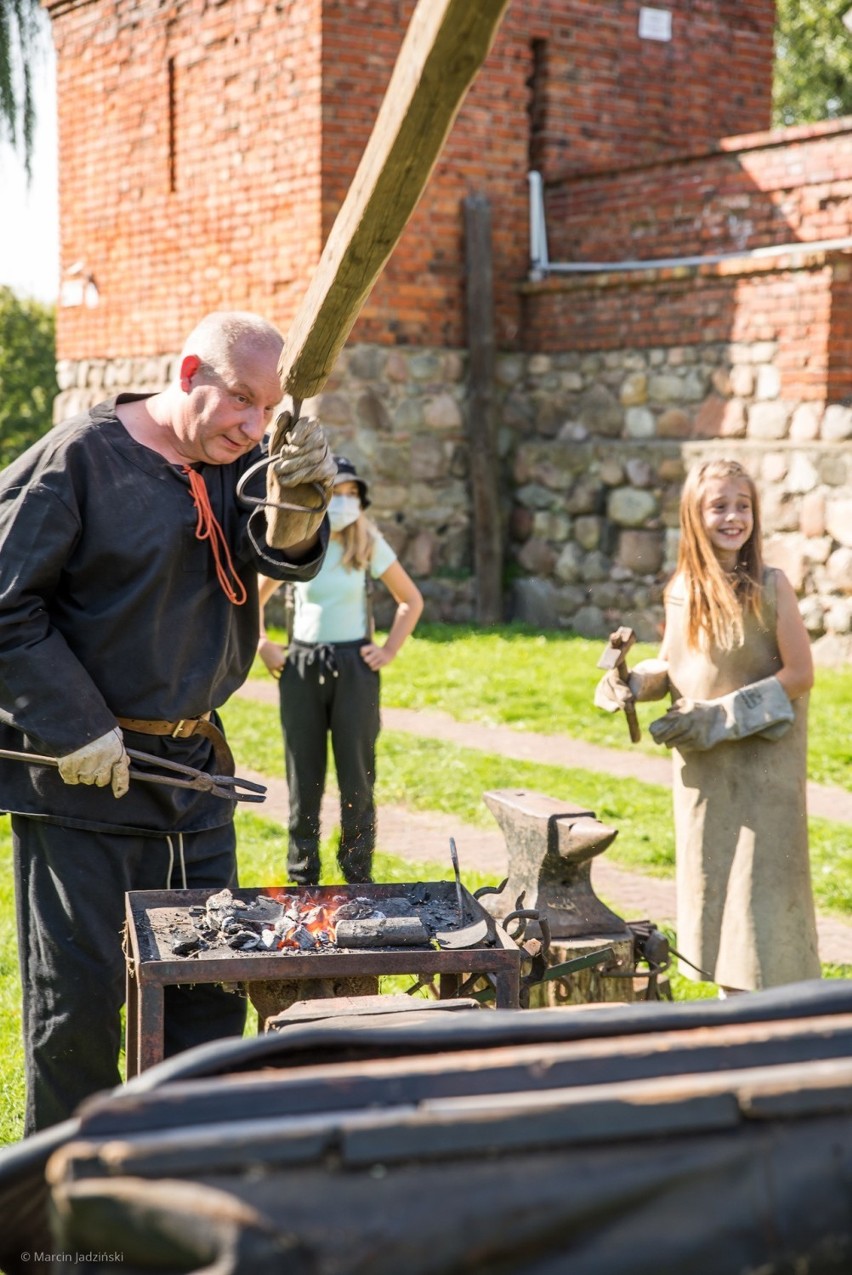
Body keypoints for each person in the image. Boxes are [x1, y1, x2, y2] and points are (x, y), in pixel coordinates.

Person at [0, 310, 338, 1134]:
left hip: (194, 781)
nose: (254, 426)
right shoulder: (75, 460)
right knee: (76, 1019)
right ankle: (71, 1233)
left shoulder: (237, 459)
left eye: (269, 412)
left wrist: (299, 497)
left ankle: (184, 1205)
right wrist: (74, 724)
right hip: (81, 781)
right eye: (242, 403)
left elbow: (281, 548)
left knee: (207, 1009)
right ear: (189, 374)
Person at [595, 458, 820, 993]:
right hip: (705, 779)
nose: (733, 517)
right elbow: (676, 664)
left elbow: (801, 674)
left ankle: (777, 1030)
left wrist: (722, 716)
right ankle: (733, 1021)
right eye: (719, 506)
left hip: (764, 781)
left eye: (742, 506)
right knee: (717, 906)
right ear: (694, 516)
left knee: (763, 913)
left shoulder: (770, 586)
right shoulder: (682, 590)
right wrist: (634, 684)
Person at [258, 456, 423, 886]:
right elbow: (249, 599)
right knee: (303, 775)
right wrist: (263, 645)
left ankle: (357, 873)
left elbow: (411, 600)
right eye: (338, 494)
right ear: (320, 499)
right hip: (301, 665)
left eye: (353, 495)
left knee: (357, 776)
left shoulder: (367, 545)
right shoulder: (297, 544)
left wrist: (387, 650)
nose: (345, 502)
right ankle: (303, 875)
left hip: (354, 668)